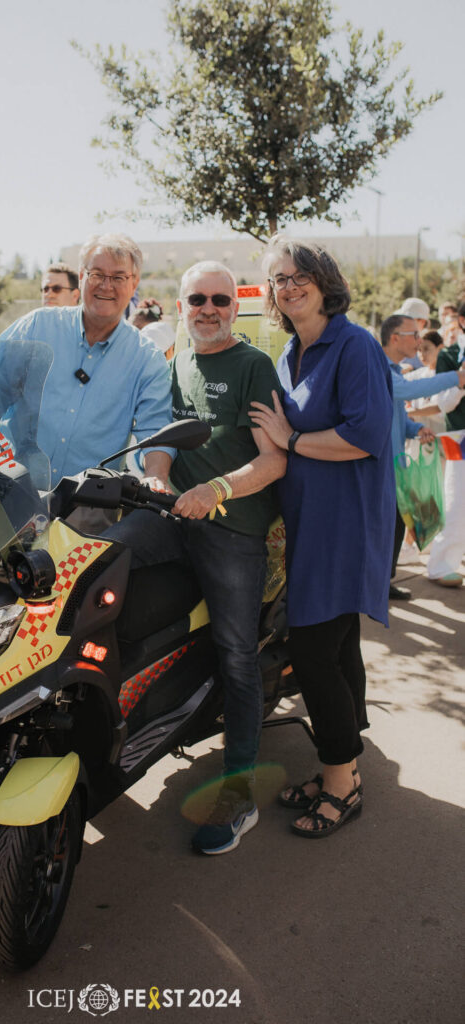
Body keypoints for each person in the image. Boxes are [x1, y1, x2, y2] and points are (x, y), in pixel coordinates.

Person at [105, 260, 286, 856]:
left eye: (219, 299)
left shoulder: (252, 365)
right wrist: (156, 479)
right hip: (171, 519)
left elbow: (273, 460)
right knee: (96, 577)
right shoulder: (175, 359)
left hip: (231, 528)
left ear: (235, 307)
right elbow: (160, 444)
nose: (208, 308)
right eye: (196, 300)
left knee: (237, 655)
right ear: (180, 306)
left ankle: (239, 799)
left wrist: (218, 491)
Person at [250, 237, 394, 838]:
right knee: (336, 648)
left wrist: (293, 442)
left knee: (312, 652)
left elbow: (366, 435)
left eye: (300, 274)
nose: (289, 286)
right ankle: (345, 762)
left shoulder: (353, 344)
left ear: (323, 279)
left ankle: (342, 784)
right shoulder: (290, 352)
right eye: (279, 279)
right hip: (309, 526)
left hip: (347, 526)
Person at [0, 234, 173, 492]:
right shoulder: (37, 326)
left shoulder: (147, 359)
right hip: (7, 494)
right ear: (82, 276)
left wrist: (155, 477)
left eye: (118, 277)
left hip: (87, 511)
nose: (106, 286)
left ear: (134, 283)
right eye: (97, 274)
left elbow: (156, 432)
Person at [380, 314, 465, 598]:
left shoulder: (392, 370)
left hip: (395, 466)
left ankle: (385, 582)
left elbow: (397, 416)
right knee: (383, 530)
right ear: (395, 338)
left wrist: (415, 429)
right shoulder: (381, 370)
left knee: (394, 526)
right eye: (414, 335)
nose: (419, 342)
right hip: (378, 469)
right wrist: (457, 377)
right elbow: (407, 390)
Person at [427, 298, 465, 586]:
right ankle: (441, 564)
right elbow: (444, 403)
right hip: (458, 436)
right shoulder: (449, 355)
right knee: (456, 501)